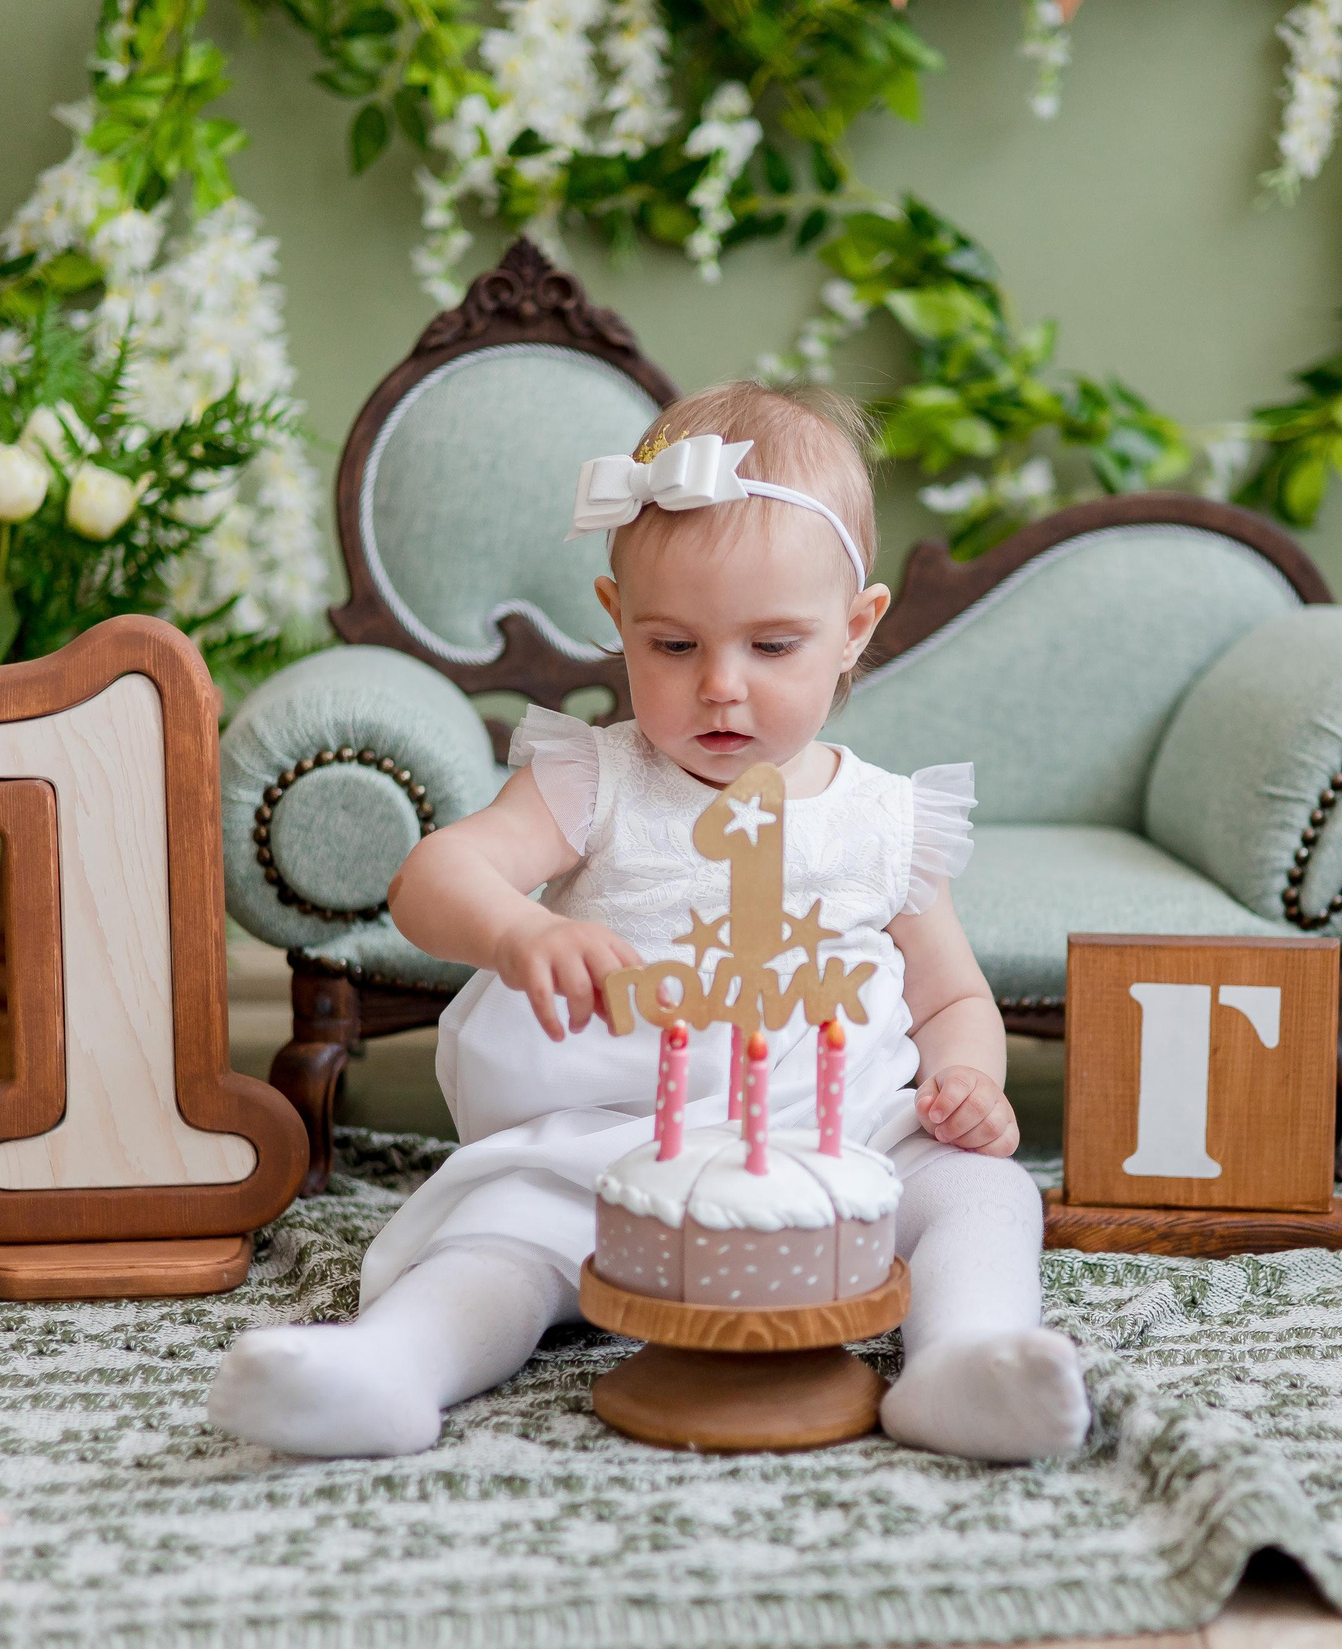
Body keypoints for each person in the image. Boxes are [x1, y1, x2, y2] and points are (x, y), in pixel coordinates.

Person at [208, 381, 1090, 1463]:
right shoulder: (596, 780)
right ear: (618, 618)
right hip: (612, 1142)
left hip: (839, 1143)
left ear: (855, 630)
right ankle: (393, 1367)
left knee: (985, 1194)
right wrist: (517, 933)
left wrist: (971, 1082)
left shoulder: (886, 819)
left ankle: (963, 1358)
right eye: (674, 647)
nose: (721, 689)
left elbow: (950, 996)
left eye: (773, 648)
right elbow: (437, 876)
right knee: (503, 1244)